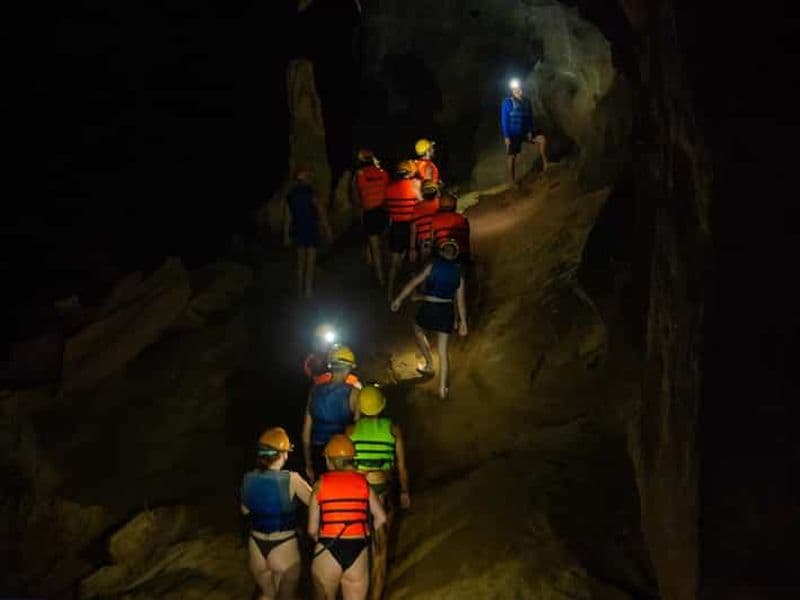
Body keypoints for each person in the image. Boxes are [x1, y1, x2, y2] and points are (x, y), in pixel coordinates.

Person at [346, 385, 410, 600]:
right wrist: (404, 492)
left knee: (358, 548)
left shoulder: (350, 431)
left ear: (361, 408)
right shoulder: (392, 429)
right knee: (380, 551)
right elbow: (401, 466)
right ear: (381, 405)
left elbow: (344, 466)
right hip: (384, 492)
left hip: (358, 494)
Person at [309, 435, 387, 600]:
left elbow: (311, 529)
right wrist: (366, 534)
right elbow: (381, 518)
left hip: (328, 548)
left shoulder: (320, 484)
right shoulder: (363, 483)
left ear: (330, 461)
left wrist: (322, 540)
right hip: (357, 551)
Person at [241, 427, 312, 600]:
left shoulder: (248, 478)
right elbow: (315, 503)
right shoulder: (292, 479)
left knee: (266, 594)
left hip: (256, 546)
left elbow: (245, 510)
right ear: (283, 454)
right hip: (283, 547)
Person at [391, 239, 468, 399]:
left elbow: (413, 283)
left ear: (441, 252)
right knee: (443, 351)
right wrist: (463, 323)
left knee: (417, 328)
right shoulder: (458, 272)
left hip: (430, 307)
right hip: (446, 310)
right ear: (455, 255)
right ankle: (442, 389)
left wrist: (398, 299)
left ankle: (429, 364)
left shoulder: (432, 266)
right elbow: (460, 301)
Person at [303, 345, 361, 482]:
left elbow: (306, 433)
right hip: (342, 454)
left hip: (319, 454)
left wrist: (308, 464)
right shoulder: (354, 394)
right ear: (348, 368)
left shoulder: (314, 392)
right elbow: (358, 431)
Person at [283, 167, 334, 299]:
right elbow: (322, 213)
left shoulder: (291, 195)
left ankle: (300, 289)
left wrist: (286, 234)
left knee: (300, 261)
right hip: (310, 228)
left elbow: (288, 216)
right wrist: (328, 231)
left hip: (298, 229)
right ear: (306, 179)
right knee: (310, 262)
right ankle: (308, 290)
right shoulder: (311, 193)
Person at [384, 160, 423, 302]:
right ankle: (413, 293)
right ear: (409, 172)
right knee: (412, 262)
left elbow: (388, 208)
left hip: (395, 227)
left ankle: (389, 293)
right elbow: (421, 204)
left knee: (394, 263)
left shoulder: (389, 188)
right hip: (410, 227)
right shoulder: (414, 186)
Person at [351, 149, 390, 285]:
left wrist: (358, 212)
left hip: (370, 212)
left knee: (375, 246)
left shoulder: (358, 175)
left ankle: (380, 278)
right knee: (382, 243)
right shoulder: (383, 173)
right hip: (384, 212)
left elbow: (356, 196)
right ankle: (386, 271)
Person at [500, 79, 550, 184]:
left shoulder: (526, 102)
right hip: (514, 134)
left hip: (525, 132)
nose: (518, 90)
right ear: (512, 91)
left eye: (519, 88)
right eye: (516, 89)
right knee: (512, 156)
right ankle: (511, 180)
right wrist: (506, 137)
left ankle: (546, 164)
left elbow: (530, 118)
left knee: (542, 139)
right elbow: (505, 120)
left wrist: (531, 131)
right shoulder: (507, 103)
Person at [430, 191, 470, 261]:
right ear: (454, 205)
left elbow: (431, 239)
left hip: (441, 254)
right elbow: (466, 239)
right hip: (461, 254)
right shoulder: (463, 219)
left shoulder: (434, 219)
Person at [409, 179, 441, 264]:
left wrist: (412, 248)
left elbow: (413, 229)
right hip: (439, 240)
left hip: (424, 242)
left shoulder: (417, 207)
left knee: (425, 268)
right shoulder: (441, 205)